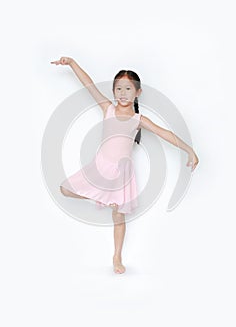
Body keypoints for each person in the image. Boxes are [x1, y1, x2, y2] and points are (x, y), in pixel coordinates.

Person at [51, 57, 199, 274]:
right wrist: (72, 63)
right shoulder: (107, 109)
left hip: (122, 173)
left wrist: (189, 149)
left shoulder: (138, 119)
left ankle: (117, 256)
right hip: (100, 166)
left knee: (118, 217)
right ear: (113, 91)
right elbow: (88, 84)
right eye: (118, 88)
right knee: (65, 189)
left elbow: (164, 133)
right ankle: (102, 198)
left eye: (128, 89)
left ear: (137, 93)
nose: (122, 93)